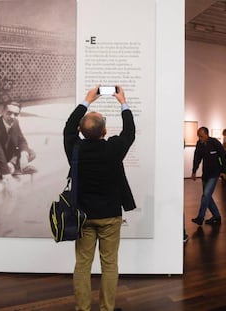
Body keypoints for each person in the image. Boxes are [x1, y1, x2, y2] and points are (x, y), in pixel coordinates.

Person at [64, 85, 136, 311]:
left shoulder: (75, 148)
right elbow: (130, 132)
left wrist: (87, 100)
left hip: (83, 216)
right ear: (105, 132)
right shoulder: (114, 148)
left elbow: (67, 128)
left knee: (83, 265)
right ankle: (106, 308)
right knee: (109, 264)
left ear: (80, 131)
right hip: (110, 216)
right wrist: (122, 102)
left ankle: (83, 309)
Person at [191, 127, 226, 226]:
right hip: (205, 174)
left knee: (206, 195)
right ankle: (217, 217)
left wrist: (224, 171)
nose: (200, 138)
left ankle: (200, 217)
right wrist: (194, 171)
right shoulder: (199, 144)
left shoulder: (214, 142)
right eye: (198, 136)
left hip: (215, 174)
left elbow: (223, 156)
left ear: (207, 134)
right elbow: (197, 158)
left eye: (201, 136)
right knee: (208, 197)